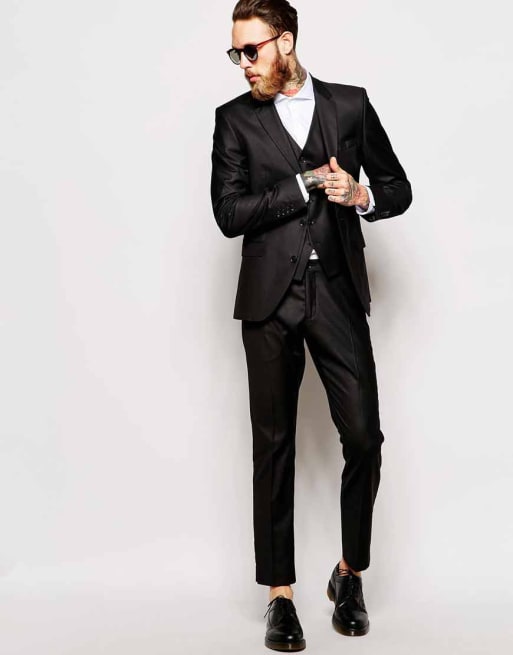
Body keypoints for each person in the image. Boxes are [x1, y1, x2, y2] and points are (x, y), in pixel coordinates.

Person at [210, 0, 412, 649]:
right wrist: (299, 186)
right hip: (269, 300)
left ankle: (349, 574)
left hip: (335, 292)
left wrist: (362, 195)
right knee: (273, 446)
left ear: (286, 42)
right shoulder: (233, 120)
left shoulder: (349, 105)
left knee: (364, 436)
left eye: (252, 49)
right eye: (236, 52)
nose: (243, 63)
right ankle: (279, 595)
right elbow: (228, 213)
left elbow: (398, 187)